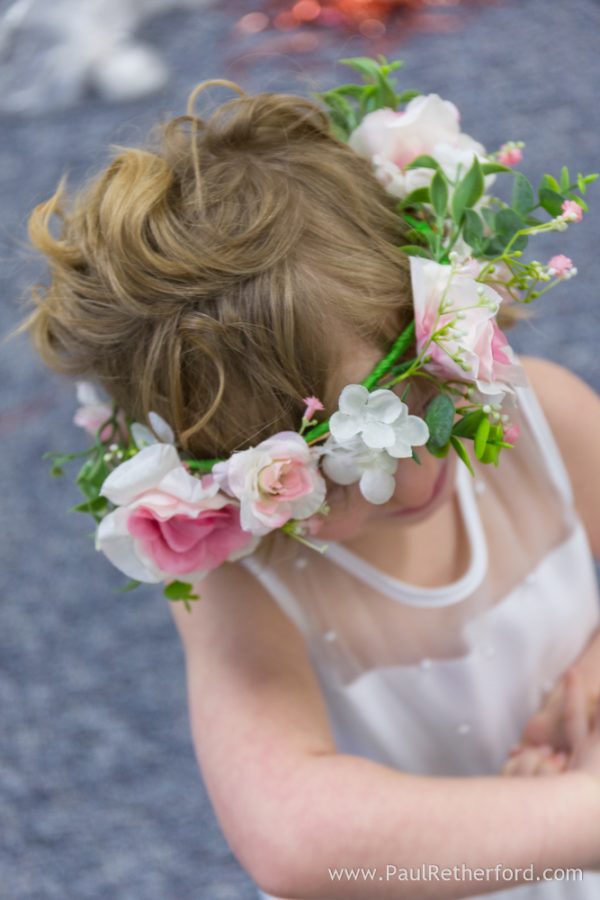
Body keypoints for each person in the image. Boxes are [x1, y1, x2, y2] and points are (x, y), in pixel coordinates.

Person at [14, 78, 600, 899]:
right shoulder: (238, 582)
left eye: (428, 396)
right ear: (220, 485)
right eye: (333, 470)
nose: (410, 472)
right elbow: (294, 836)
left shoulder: (545, 421)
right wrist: (580, 818)